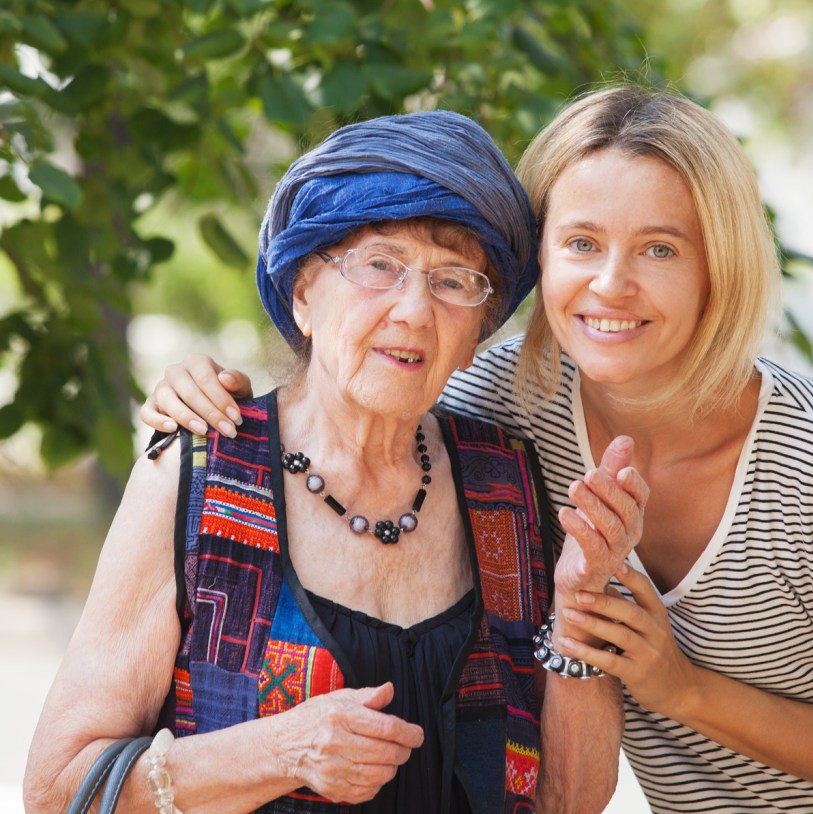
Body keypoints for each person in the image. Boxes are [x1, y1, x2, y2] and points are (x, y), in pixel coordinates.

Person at [140, 85, 813, 813]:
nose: (613, 286)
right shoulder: (503, 403)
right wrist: (205, 395)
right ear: (536, 261)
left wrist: (677, 684)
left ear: (720, 265)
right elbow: (359, 385)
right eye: (581, 242)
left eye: (661, 249)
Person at [24, 110, 649, 814]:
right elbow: (58, 789)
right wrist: (279, 753)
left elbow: (572, 800)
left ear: (476, 336)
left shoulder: (506, 485)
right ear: (302, 295)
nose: (414, 310)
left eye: (454, 281)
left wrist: (580, 607)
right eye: (380, 265)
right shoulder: (199, 476)